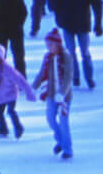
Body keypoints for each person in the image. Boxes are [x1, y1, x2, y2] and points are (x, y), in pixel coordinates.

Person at [32, 28, 76, 159]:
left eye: (51, 45)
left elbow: (68, 76)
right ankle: (60, 141)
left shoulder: (66, 56)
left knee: (63, 121)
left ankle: (67, 149)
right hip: (51, 94)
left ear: (57, 44)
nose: (49, 48)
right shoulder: (48, 58)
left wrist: (62, 93)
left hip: (64, 97)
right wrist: (33, 87)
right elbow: (42, 74)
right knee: (50, 119)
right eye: (47, 45)